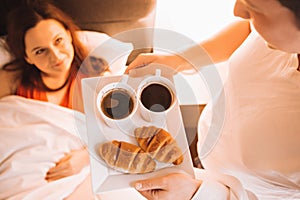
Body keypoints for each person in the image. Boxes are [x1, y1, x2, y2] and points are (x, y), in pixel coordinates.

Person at [126, 0, 300, 199]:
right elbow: (249, 31)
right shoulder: (274, 30)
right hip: (206, 154)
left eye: (254, 9)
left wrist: (198, 194)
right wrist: (180, 60)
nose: (237, 11)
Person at [0, 1, 108, 199]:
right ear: (27, 58)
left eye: (58, 41)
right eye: (40, 51)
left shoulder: (96, 79)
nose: (56, 56)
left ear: (69, 34)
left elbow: (119, 134)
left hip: (74, 181)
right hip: (17, 180)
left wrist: (86, 157)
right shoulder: (10, 79)